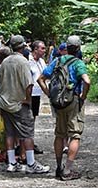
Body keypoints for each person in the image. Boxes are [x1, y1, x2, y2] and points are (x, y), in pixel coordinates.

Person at [38, 35, 90, 180]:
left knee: (60, 134)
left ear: (66, 47)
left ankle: (58, 166)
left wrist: (49, 94)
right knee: (74, 134)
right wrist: (83, 96)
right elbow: (87, 81)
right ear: (78, 48)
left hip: (58, 102)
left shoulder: (56, 61)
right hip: (72, 101)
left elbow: (40, 79)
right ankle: (67, 170)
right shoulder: (78, 63)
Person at [0, 35, 50, 174]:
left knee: (10, 133)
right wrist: (28, 100)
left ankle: (12, 163)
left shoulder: (5, 62)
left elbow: (0, 82)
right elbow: (29, 83)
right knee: (27, 133)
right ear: (23, 46)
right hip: (19, 103)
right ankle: (31, 164)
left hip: (5, 102)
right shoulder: (23, 62)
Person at [28, 40, 47, 154]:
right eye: (42, 48)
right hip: (29, 94)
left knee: (33, 119)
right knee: (27, 119)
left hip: (37, 94)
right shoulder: (28, 61)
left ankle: (31, 142)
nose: (44, 51)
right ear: (35, 49)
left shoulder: (42, 61)